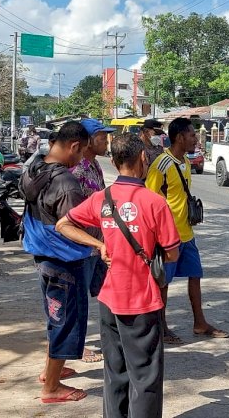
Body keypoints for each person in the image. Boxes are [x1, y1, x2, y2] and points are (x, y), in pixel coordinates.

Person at [57, 133, 181, 418]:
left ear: (112, 162)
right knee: (146, 375)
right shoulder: (154, 203)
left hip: (109, 297)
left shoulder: (102, 198)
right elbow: (173, 254)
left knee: (115, 371)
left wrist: (100, 244)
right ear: (142, 158)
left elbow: (64, 224)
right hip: (142, 299)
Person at [19, 121, 92, 404]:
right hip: (64, 260)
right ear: (74, 146)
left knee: (55, 315)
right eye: (82, 151)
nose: (81, 158)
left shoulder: (34, 166)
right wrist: (100, 242)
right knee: (66, 322)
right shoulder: (66, 183)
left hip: (42, 254)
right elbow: (74, 226)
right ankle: (51, 388)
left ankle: (51, 370)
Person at [146, 117, 228, 344]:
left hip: (187, 234)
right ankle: (161, 327)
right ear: (180, 137)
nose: (196, 139)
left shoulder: (186, 162)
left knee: (195, 275)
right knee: (163, 281)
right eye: (192, 135)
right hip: (167, 237)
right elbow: (150, 201)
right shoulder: (161, 164)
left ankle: (200, 322)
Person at [69, 118, 115, 364]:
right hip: (83, 245)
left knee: (103, 290)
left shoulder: (95, 165)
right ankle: (77, 344)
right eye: (101, 137)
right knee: (78, 298)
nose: (105, 141)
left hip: (98, 244)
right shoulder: (77, 171)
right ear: (86, 141)